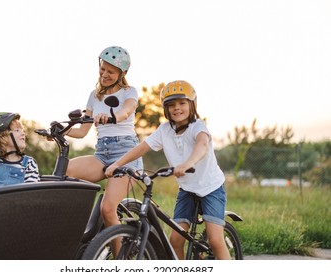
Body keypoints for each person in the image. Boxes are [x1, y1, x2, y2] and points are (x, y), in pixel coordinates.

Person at [105, 80, 231, 260]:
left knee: (215, 241)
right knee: (176, 240)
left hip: (211, 188)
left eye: (182, 103)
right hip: (187, 190)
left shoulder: (198, 127)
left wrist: (187, 164)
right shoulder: (164, 130)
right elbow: (142, 147)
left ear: (192, 105)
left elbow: (202, 146)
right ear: (165, 109)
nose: (176, 108)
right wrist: (118, 163)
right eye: (171, 105)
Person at [62, 46, 143, 247]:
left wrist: (112, 117)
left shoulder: (129, 92)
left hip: (126, 154)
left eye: (111, 71)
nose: (105, 74)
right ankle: (79, 230)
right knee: (63, 171)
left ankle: (120, 262)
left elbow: (126, 111)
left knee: (108, 208)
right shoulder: (94, 95)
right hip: (102, 153)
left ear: (121, 74)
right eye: (103, 69)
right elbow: (82, 132)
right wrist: (60, 130)